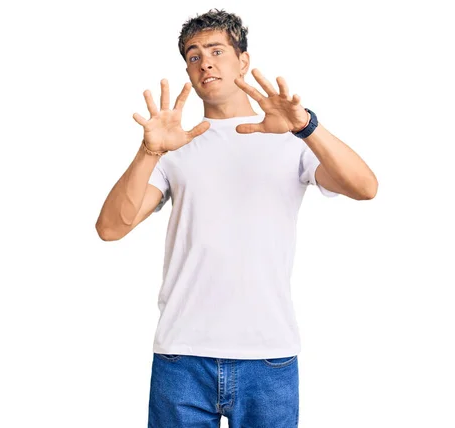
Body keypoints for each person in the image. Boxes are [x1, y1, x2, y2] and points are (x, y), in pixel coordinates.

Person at [95, 8, 378, 427]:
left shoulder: (287, 138)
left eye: (216, 51)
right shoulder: (176, 146)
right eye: (193, 56)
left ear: (243, 61)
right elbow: (110, 228)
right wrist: (150, 151)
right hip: (182, 356)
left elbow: (365, 187)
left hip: (268, 357)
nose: (204, 62)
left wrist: (306, 127)